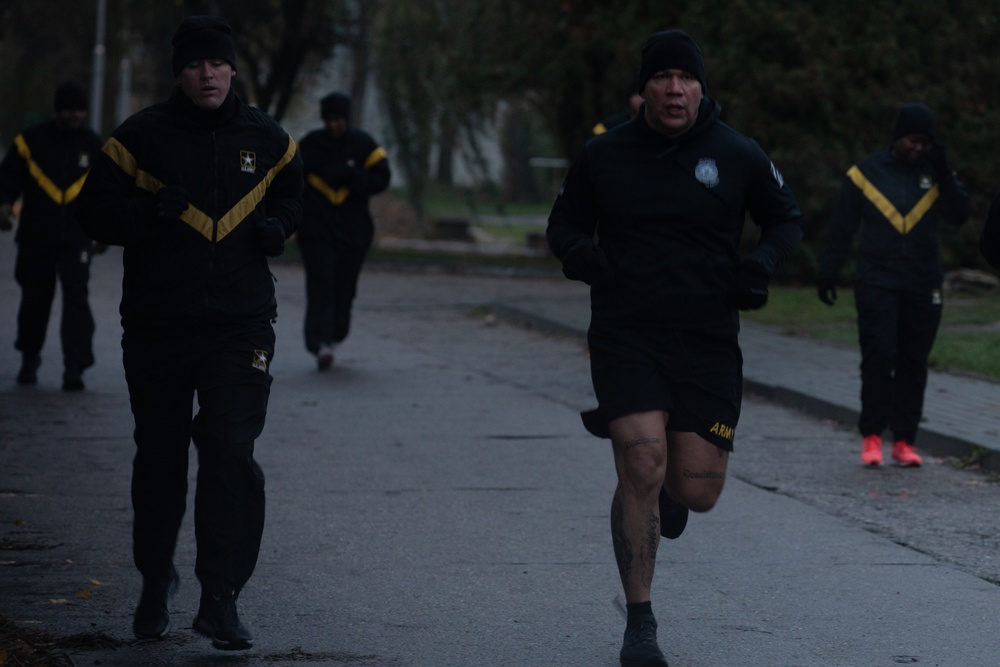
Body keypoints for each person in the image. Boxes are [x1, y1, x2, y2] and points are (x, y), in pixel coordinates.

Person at [546, 30, 802, 667]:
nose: (674, 88)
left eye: (685, 78)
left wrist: (761, 263)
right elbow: (564, 223)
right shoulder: (604, 156)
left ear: (700, 87)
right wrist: (580, 254)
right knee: (640, 463)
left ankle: (664, 495)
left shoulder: (736, 154)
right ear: (646, 89)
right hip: (627, 334)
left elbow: (786, 218)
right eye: (662, 77)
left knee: (697, 490)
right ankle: (641, 623)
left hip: (707, 342)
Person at [75, 15, 303, 650]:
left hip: (240, 325)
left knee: (230, 452)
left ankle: (220, 597)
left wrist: (278, 227)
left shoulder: (268, 138)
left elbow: (293, 194)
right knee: (161, 458)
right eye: (197, 64)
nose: (209, 73)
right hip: (159, 325)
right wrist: (146, 213)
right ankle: (155, 582)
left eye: (219, 63)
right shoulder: (140, 137)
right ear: (180, 71)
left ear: (233, 69)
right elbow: (90, 210)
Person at [817, 103, 970, 468]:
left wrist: (944, 171)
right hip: (877, 280)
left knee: (913, 362)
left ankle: (904, 440)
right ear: (897, 137)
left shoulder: (935, 175)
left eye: (925, 143)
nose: (918, 148)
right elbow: (842, 226)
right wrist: (828, 271)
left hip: (923, 280)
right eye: (913, 141)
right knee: (879, 356)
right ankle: (872, 437)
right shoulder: (865, 174)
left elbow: (959, 215)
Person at [0, 81, 103, 390]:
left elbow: (106, 189)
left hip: (77, 236)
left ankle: (75, 367)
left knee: (76, 299)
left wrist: (106, 229)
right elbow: (9, 175)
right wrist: (4, 204)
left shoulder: (93, 144)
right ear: (58, 110)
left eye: (80, 110)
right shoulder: (31, 142)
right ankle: (29, 358)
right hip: (36, 234)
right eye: (70, 110)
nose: (76, 116)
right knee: (35, 299)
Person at [297, 92, 390, 370]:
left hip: (354, 231)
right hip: (316, 229)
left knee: (344, 287)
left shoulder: (363, 145)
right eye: (329, 119)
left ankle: (336, 334)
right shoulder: (310, 145)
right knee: (320, 282)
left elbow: (382, 178)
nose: (334, 125)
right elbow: (291, 178)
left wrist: (352, 177)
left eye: (338, 119)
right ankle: (319, 342)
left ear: (347, 119)